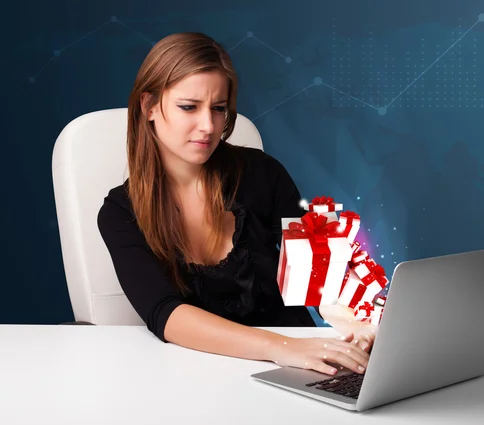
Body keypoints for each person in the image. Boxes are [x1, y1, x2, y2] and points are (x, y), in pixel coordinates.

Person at [97, 32, 377, 377]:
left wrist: (358, 322)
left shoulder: (262, 172)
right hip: (202, 374)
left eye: (218, 109)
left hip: (303, 363)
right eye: (189, 107)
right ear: (149, 106)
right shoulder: (121, 213)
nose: (208, 126)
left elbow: (319, 276)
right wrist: (278, 348)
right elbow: (166, 314)